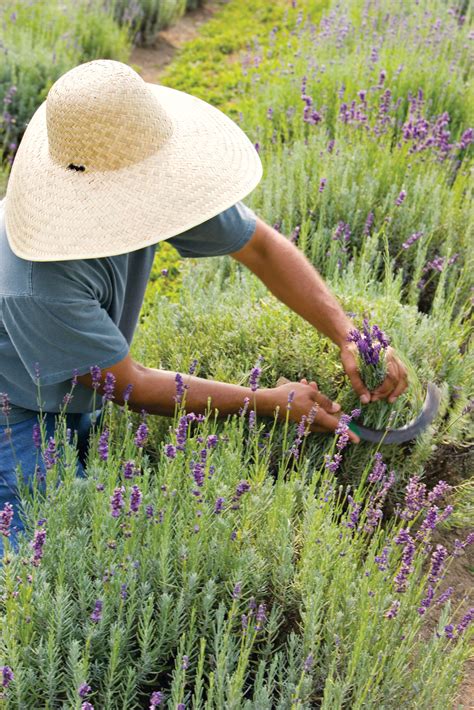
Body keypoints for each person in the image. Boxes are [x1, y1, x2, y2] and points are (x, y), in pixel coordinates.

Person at [0, 60, 408, 554]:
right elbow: (130, 383)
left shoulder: (143, 178)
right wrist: (267, 404)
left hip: (69, 383)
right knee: (40, 568)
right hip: (16, 415)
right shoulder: (34, 280)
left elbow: (260, 247)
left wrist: (350, 335)